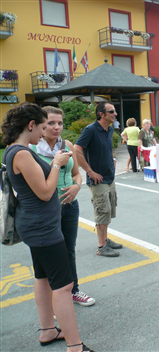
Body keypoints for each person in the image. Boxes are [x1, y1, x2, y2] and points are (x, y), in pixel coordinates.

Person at [1, 103, 93, 352]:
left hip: (36, 225)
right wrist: (56, 163)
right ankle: (75, 346)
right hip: (43, 227)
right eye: (42, 127)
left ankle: (48, 330)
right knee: (63, 287)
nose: (44, 133)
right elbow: (43, 192)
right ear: (31, 125)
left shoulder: (13, 150)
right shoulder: (21, 153)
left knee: (42, 278)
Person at [30, 106, 95, 306]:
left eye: (60, 123)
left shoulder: (66, 145)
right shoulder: (31, 149)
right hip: (46, 210)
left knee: (69, 251)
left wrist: (76, 186)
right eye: (51, 123)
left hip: (69, 206)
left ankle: (73, 290)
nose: (56, 127)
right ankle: (54, 299)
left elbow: (76, 173)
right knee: (49, 257)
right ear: (41, 125)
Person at [75, 102, 122, 257]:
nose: (115, 114)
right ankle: (101, 246)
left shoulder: (108, 130)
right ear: (101, 114)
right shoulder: (91, 130)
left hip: (109, 177)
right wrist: (90, 171)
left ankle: (106, 240)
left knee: (108, 211)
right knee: (102, 211)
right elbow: (77, 149)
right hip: (98, 180)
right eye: (112, 111)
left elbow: (107, 149)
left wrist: (113, 161)